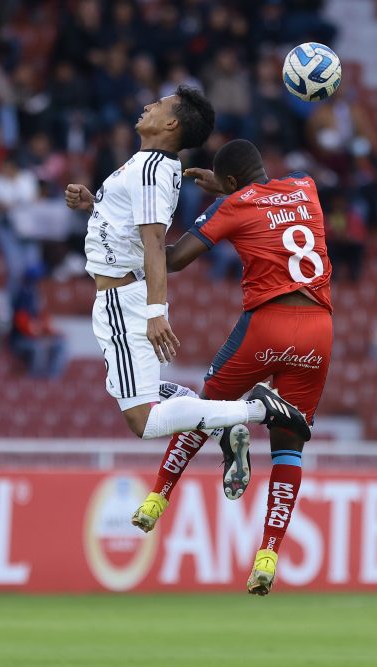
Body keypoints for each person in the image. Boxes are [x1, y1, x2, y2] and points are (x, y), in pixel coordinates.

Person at [63, 92, 310, 466]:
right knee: (139, 395)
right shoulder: (152, 165)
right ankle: (222, 429)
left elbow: (154, 242)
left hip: (123, 298)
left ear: (170, 124)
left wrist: (155, 312)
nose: (147, 106)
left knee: (143, 421)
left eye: (158, 105)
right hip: (123, 294)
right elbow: (133, 228)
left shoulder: (150, 171)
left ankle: (256, 411)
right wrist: (95, 205)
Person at [141, 139, 334, 596]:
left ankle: (156, 497)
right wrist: (225, 189)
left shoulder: (234, 204)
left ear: (228, 183)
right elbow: (261, 192)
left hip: (267, 326)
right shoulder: (306, 188)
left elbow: (174, 259)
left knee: (205, 408)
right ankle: (268, 553)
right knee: (289, 447)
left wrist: (150, 225)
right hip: (319, 332)